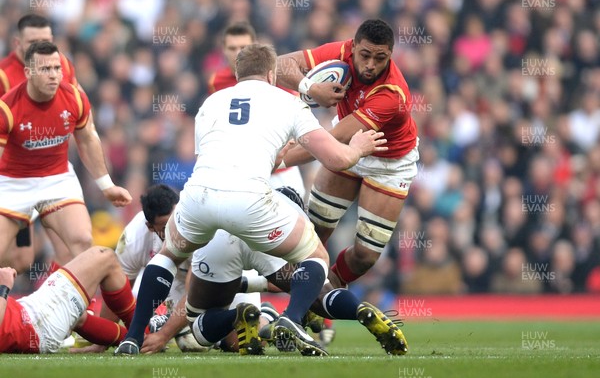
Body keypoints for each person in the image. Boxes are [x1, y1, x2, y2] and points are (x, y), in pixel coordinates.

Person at [114, 43, 387, 356]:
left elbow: (214, 158)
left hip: (199, 195)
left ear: (237, 74)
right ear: (272, 74)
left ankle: (132, 339)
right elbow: (337, 159)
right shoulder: (288, 102)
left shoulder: (210, 103)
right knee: (316, 257)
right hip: (251, 200)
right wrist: (360, 148)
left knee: (166, 256)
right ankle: (292, 319)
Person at [276, 19, 419, 287]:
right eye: (365, 55)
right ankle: (308, 304)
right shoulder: (340, 52)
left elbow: (333, 140)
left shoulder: (392, 94)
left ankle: (319, 299)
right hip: (345, 144)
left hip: (389, 162)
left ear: (391, 55)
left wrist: (277, 162)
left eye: (380, 58)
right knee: (312, 236)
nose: (370, 65)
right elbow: (279, 64)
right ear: (353, 47)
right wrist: (310, 87)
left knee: (365, 256)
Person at [185, 186, 408, 356]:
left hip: (221, 237)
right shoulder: (288, 214)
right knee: (321, 295)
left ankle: (238, 316)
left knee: (198, 326)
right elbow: (283, 281)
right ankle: (357, 309)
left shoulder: (238, 188)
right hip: (269, 232)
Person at [0, 41, 132, 271]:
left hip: (57, 177)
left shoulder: (75, 98)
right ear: (28, 73)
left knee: (82, 241)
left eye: (57, 68)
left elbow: (88, 138)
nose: (53, 75)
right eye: (45, 69)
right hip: (14, 182)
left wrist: (106, 185)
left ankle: (80, 305)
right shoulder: (7, 109)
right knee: (16, 259)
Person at [73, 184, 206, 354]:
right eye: (166, 227)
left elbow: (197, 292)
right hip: (169, 288)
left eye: (176, 219)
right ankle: (162, 325)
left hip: (210, 288)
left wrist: (163, 336)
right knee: (190, 343)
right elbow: (119, 289)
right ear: (150, 227)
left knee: (208, 340)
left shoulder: (198, 225)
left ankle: (168, 325)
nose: (175, 229)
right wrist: (102, 341)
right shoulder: (134, 238)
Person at [0, 13, 80, 269]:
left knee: (70, 246)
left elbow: (74, 109)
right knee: (22, 260)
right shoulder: (4, 75)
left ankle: (66, 305)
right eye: (33, 40)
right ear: (17, 43)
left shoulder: (63, 65)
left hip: (52, 175)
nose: (39, 46)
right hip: (16, 180)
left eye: (46, 40)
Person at [208, 21, 306, 197]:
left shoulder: (274, 74)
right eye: (232, 48)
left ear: (254, 47)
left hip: (280, 173)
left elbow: (295, 110)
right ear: (223, 49)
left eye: (243, 47)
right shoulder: (217, 82)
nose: (238, 53)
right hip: (240, 174)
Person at [0, 246, 137, 353]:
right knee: (105, 256)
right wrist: (4, 286)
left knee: (79, 318)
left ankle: (135, 338)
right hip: (36, 324)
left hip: (28, 313)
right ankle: (141, 335)